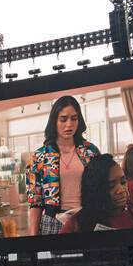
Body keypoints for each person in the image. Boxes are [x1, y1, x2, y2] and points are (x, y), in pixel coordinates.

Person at [27, 96, 100, 235]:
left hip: (88, 220)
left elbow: (103, 187)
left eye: (74, 118)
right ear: (54, 121)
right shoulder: (39, 157)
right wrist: (33, 239)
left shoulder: (90, 151)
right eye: (63, 119)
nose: (69, 124)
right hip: (54, 223)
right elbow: (35, 202)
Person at [60, 154, 133, 233]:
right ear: (95, 190)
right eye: (111, 186)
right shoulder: (76, 225)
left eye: (123, 182)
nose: (121, 190)